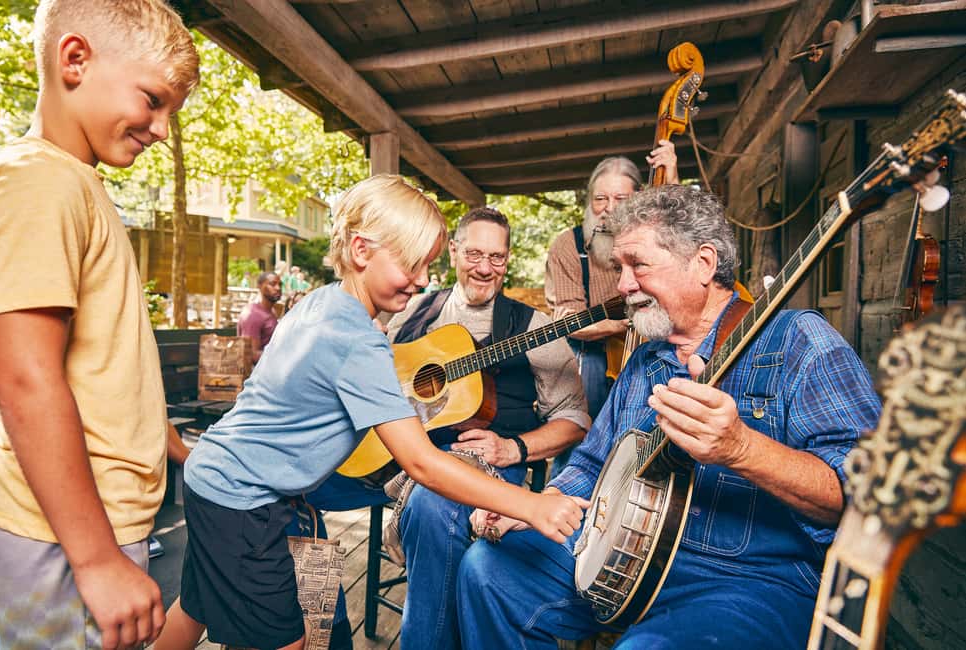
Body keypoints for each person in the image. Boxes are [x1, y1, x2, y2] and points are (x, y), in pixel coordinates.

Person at [154, 175, 587, 650]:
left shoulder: (321, 303)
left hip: (212, 476)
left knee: (193, 607)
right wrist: (531, 504)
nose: (423, 279)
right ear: (361, 250)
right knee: (291, 641)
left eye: (429, 265)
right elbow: (420, 462)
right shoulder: (359, 340)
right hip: (245, 499)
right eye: (413, 263)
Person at [457, 184, 882, 649]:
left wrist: (742, 449)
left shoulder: (798, 340)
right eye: (620, 268)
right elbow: (591, 463)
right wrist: (542, 502)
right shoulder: (645, 360)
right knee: (487, 570)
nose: (622, 285)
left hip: (748, 581)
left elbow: (867, 496)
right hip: (625, 554)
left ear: (703, 263)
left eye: (637, 265)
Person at [0, 1, 199, 648]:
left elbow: (101, 368)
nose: (162, 129)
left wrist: (181, 449)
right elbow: (26, 377)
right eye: (153, 100)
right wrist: (97, 558)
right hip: (63, 535)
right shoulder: (37, 183)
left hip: (91, 526)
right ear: (75, 60)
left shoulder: (76, 184)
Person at [305, 207, 590, 650]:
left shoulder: (534, 328)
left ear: (508, 260)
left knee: (434, 504)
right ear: (454, 251)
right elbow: (388, 369)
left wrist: (514, 447)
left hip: (480, 467)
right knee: (296, 488)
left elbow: (575, 419)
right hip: (392, 458)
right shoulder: (414, 308)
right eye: (474, 253)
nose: (484, 268)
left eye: (496, 258)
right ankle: (328, 633)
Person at [545, 144, 678, 476]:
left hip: (650, 343)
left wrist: (670, 177)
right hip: (592, 353)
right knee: (584, 384)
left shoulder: (653, 241)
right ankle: (569, 478)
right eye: (600, 199)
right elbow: (570, 324)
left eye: (621, 200)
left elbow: (680, 235)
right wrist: (625, 327)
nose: (608, 209)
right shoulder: (568, 246)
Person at [236, 271, 282, 363]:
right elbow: (251, 354)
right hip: (258, 374)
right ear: (260, 286)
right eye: (272, 284)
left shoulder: (272, 311)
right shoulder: (252, 314)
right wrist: (283, 358)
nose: (278, 288)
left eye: (280, 284)